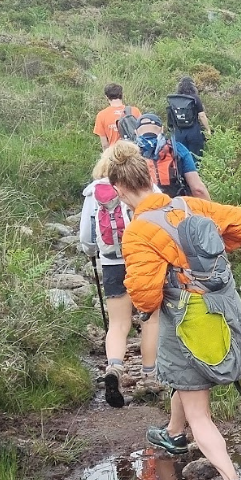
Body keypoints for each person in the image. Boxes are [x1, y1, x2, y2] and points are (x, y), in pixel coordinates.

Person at [107, 140, 241, 480]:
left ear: (118, 188)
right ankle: (174, 434)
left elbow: (146, 299)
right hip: (224, 307)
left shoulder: (139, 232)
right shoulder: (186, 204)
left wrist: (167, 280)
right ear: (149, 176)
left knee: (200, 410)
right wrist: (212, 255)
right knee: (186, 380)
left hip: (186, 318)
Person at [78, 148, 160, 406]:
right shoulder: (147, 188)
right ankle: (150, 375)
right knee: (150, 318)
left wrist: (93, 253)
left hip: (112, 262)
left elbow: (86, 237)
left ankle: (114, 368)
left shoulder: (93, 194)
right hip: (143, 259)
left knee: (118, 323)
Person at [134, 112, 211, 200]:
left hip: (143, 209)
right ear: (162, 129)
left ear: (136, 132)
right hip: (175, 208)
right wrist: (212, 211)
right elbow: (197, 189)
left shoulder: (128, 153)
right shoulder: (177, 148)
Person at [167, 77, 212, 161]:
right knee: (195, 157)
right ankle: (196, 173)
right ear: (192, 86)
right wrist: (208, 129)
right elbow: (201, 115)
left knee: (180, 157)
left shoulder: (174, 99)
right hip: (193, 131)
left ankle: (182, 173)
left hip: (179, 132)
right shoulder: (195, 98)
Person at [93, 83, 140, 149]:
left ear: (106, 97)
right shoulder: (135, 111)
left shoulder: (101, 115)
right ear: (122, 95)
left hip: (115, 154)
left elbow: (105, 145)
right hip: (133, 151)